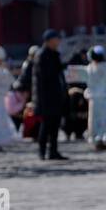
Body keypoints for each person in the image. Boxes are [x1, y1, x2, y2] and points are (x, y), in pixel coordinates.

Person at [33, 29, 68, 161]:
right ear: (49, 41)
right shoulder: (41, 55)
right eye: (56, 39)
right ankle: (42, 151)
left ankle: (53, 151)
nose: (58, 41)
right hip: (46, 96)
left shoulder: (55, 54)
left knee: (55, 125)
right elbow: (41, 80)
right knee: (46, 125)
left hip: (56, 95)